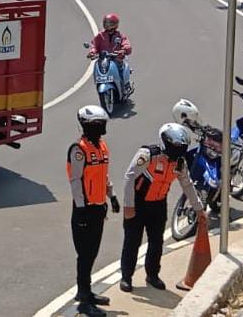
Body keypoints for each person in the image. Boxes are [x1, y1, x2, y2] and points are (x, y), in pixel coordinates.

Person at [119, 123, 206, 292]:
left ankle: (152, 275)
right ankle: (126, 277)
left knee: (156, 242)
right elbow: (129, 178)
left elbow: (187, 184)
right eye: (176, 146)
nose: (179, 150)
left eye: (182, 147)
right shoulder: (148, 155)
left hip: (158, 205)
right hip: (138, 204)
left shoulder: (180, 163)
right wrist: (128, 206)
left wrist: (199, 209)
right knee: (132, 242)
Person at [68, 105, 120, 315]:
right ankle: (84, 300)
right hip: (85, 209)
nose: (103, 129)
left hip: (99, 208)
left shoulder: (101, 147)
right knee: (85, 254)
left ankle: (86, 292)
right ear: (88, 126)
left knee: (93, 252)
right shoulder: (78, 150)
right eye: (99, 125)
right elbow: (75, 181)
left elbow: (102, 175)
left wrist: (112, 195)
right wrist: (80, 209)